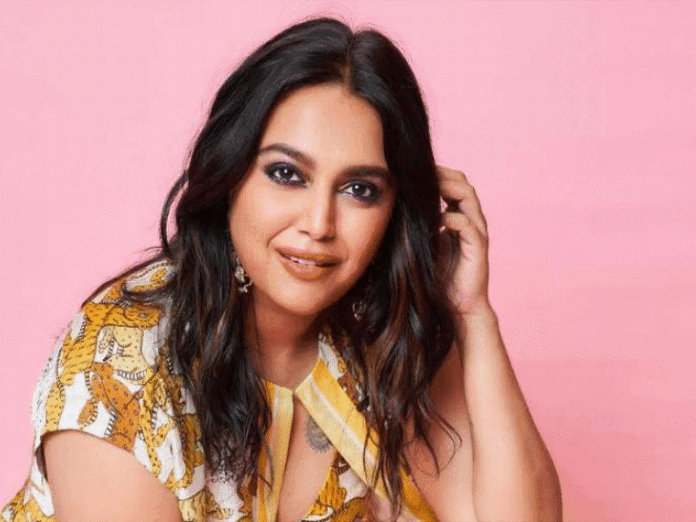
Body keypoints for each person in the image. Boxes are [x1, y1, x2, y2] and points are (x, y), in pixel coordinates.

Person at [1, 16, 562, 522]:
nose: (319, 224)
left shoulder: (378, 338)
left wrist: (472, 316)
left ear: (395, 212)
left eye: (359, 189)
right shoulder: (120, 365)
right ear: (231, 175)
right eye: (287, 175)